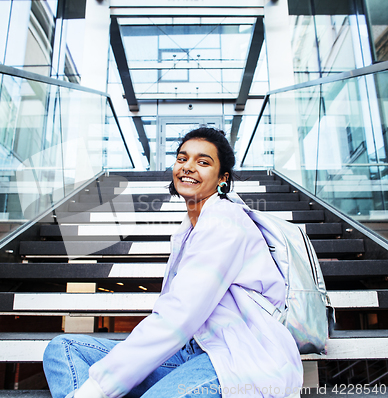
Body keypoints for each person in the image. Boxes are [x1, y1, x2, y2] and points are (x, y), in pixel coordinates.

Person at [43, 127, 303, 398]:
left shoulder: (225, 222)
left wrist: (97, 389)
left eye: (203, 162)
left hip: (240, 356)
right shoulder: (189, 228)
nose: (188, 167)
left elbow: (178, 315)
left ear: (222, 178)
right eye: (182, 158)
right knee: (63, 348)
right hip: (192, 353)